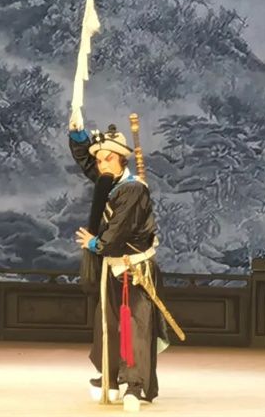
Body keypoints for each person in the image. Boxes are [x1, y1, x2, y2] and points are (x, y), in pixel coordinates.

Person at [69, 121, 169, 412]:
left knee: (135, 326)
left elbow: (118, 231)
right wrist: (78, 135)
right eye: (100, 160)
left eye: (107, 159)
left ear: (121, 159)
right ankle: (111, 377)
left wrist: (95, 244)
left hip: (133, 270)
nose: (101, 165)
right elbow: (87, 161)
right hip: (111, 268)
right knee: (108, 324)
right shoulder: (109, 182)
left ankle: (135, 385)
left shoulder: (133, 189)